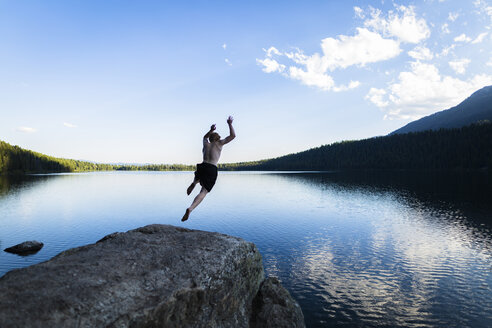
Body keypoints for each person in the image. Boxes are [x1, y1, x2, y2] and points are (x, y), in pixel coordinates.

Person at [181, 116, 236, 222]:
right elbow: (233, 136)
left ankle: (194, 182)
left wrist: (211, 130)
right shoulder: (219, 143)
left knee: (199, 176)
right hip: (211, 168)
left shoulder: (206, 144)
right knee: (204, 191)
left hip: (203, 165)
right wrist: (229, 124)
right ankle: (190, 208)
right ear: (218, 138)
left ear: (210, 138)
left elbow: (204, 137)